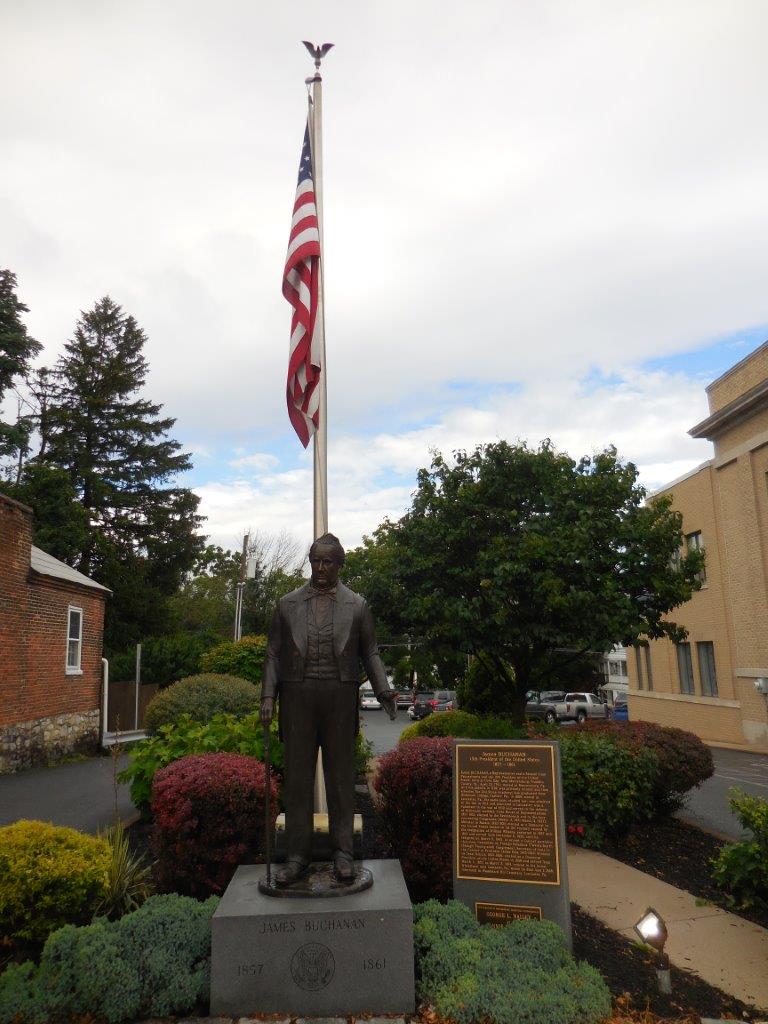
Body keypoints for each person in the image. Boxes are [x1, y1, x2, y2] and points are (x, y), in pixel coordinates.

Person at [260, 532, 396, 885]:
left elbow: (371, 652)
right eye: (316, 561)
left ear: (340, 564)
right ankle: (296, 856)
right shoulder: (286, 603)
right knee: (297, 779)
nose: (321, 568)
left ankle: (343, 853)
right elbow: (273, 652)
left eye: (328, 562)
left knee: (340, 778)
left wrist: (383, 689)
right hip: (297, 697)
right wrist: (267, 699)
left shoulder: (358, 605)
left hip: (339, 695)